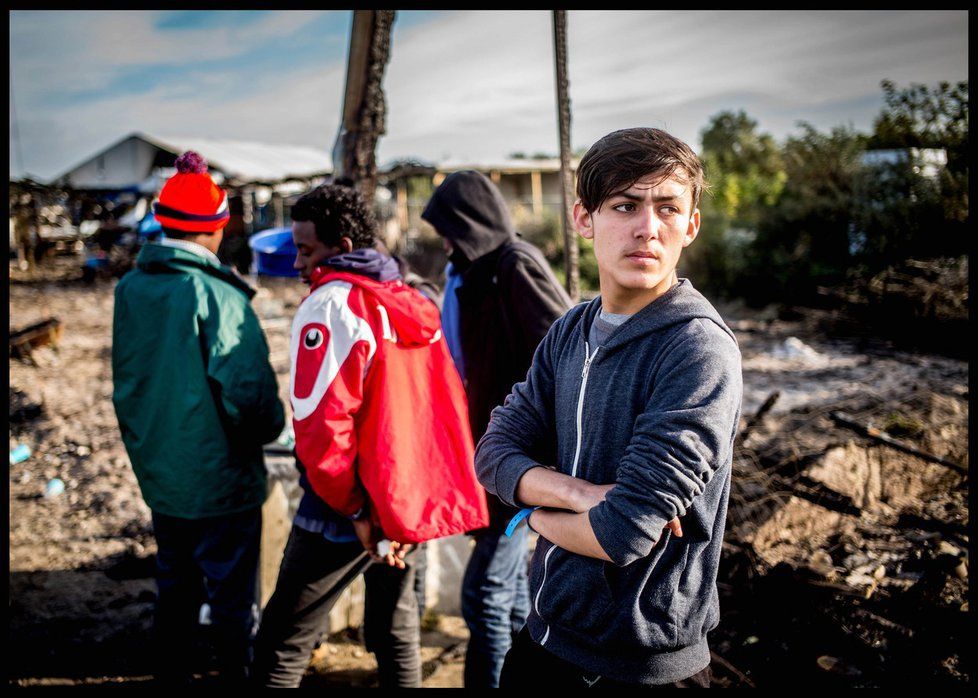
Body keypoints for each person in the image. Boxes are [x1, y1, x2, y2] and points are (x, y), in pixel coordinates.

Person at [476, 127, 743, 688]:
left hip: (643, 666)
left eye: (668, 208)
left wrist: (531, 514)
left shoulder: (697, 349)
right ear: (584, 219)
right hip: (546, 638)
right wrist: (578, 495)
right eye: (625, 206)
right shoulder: (571, 329)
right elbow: (493, 453)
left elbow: (623, 533)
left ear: (690, 225)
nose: (648, 228)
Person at [252, 183, 486, 688]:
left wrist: (357, 511)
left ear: (339, 246)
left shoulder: (329, 306)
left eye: (306, 250)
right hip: (402, 494)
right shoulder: (408, 300)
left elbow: (320, 426)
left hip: (346, 502)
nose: (296, 263)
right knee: (396, 625)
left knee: (282, 640)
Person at [112, 151, 286, 685]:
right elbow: (252, 399)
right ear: (217, 228)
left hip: (161, 476)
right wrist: (271, 428)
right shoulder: (218, 295)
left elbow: (132, 382)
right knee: (233, 602)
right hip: (221, 483)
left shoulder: (131, 289)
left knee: (175, 587)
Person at [421, 171, 572, 688]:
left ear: (472, 223)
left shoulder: (514, 264)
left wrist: (534, 430)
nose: (444, 242)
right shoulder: (473, 273)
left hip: (519, 459)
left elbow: (564, 350)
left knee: (483, 593)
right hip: (489, 458)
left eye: (449, 229)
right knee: (505, 596)